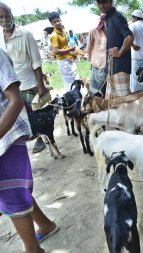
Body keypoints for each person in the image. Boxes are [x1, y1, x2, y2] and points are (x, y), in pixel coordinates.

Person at [0, 48, 58, 253]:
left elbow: (15, 100)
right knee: (13, 190)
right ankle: (45, 224)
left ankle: (33, 250)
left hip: (6, 135)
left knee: (12, 195)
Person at [0, 3, 47, 154]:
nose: (5, 19)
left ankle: (40, 137)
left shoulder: (25, 34)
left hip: (28, 82)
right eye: (1, 17)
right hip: (9, 86)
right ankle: (28, 137)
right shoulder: (0, 39)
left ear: (12, 15)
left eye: (7, 15)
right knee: (18, 115)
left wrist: (40, 84)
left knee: (35, 113)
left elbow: (36, 61)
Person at [96, 0, 134, 99]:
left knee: (125, 103)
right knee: (110, 102)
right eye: (99, 3)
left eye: (104, 2)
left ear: (111, 2)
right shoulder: (107, 18)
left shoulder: (117, 16)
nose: (101, 5)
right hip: (112, 67)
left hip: (120, 67)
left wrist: (120, 52)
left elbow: (129, 37)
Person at [48, 12, 80, 92]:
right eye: (54, 22)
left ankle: (78, 98)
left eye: (58, 20)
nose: (57, 23)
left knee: (76, 79)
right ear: (51, 24)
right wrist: (69, 49)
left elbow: (65, 45)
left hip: (69, 58)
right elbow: (55, 51)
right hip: (63, 61)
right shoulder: (54, 35)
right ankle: (72, 100)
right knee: (70, 83)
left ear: (60, 20)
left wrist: (74, 52)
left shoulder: (64, 31)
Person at [86, 15, 108, 95]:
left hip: (110, 64)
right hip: (98, 64)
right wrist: (90, 59)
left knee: (108, 87)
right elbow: (89, 47)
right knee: (97, 89)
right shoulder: (93, 31)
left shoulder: (113, 31)